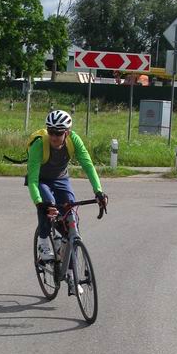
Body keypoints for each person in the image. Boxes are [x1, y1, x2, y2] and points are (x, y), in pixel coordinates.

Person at [28, 109, 108, 261]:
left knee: (71, 215)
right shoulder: (39, 144)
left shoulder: (74, 140)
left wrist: (99, 192)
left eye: (58, 133)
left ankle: (67, 254)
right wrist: (39, 203)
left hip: (61, 179)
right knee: (49, 206)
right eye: (50, 131)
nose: (53, 136)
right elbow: (32, 179)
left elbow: (88, 166)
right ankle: (43, 240)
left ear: (67, 132)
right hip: (41, 180)